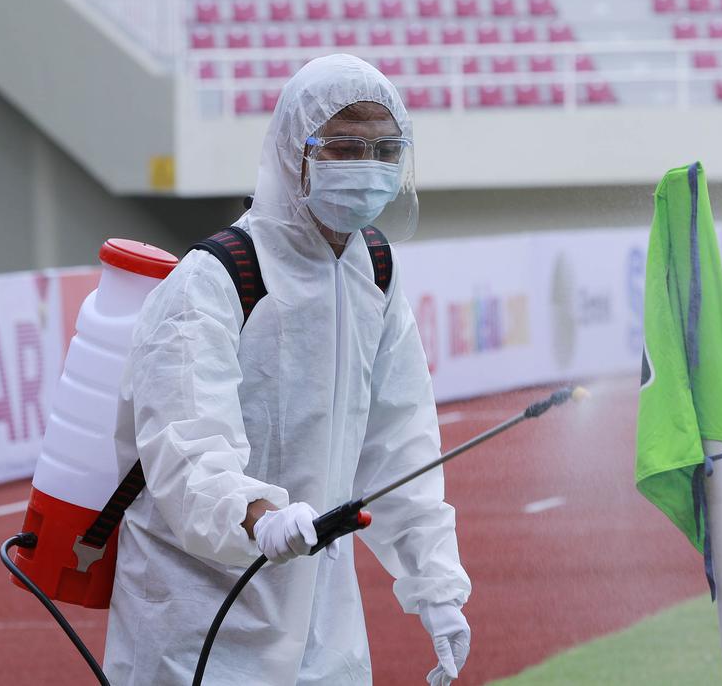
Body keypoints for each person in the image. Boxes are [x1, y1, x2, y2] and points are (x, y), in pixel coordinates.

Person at [103, 54, 472, 686]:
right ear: (291, 150)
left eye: (384, 149)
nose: (366, 165)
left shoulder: (374, 273)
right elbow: (186, 450)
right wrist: (260, 516)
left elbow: (399, 445)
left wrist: (435, 585)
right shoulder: (213, 280)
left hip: (323, 621)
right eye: (343, 145)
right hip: (200, 622)